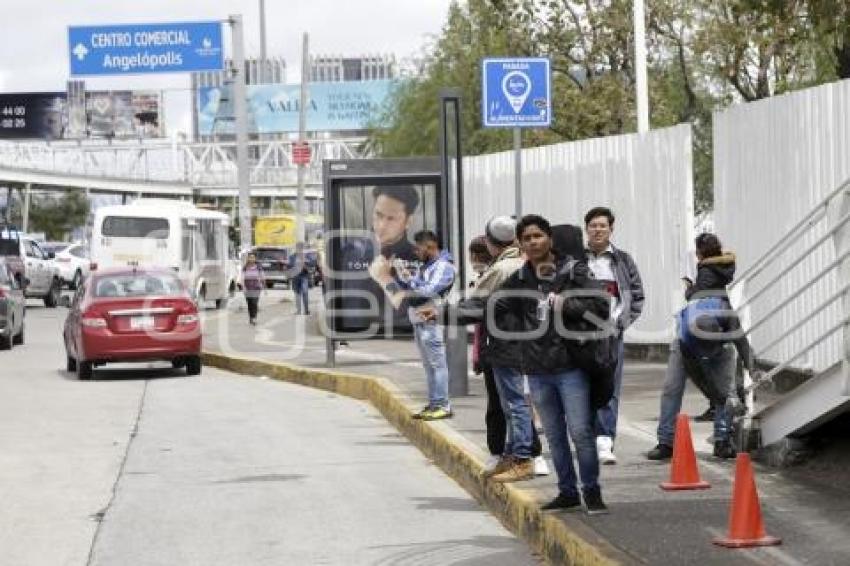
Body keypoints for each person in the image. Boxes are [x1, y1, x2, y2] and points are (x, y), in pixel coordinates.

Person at [492, 214, 611, 514]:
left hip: (570, 368)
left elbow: (600, 305)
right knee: (555, 436)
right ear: (520, 244)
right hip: (537, 370)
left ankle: (592, 492)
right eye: (527, 238)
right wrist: (442, 312)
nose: (533, 242)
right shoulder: (519, 279)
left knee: (581, 433)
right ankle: (567, 492)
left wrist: (566, 305)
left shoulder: (573, 271)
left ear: (549, 239)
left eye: (538, 236)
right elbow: (491, 304)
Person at [421, 218, 548, 481]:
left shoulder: (503, 269)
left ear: (492, 243)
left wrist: (442, 313)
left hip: (508, 344)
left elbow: (479, 306)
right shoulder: (520, 265)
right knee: (510, 404)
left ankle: (522, 458)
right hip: (515, 343)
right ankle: (515, 455)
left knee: (514, 404)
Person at [648, 233, 756, 461]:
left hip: (722, 348)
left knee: (725, 391)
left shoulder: (727, 316)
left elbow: (742, 344)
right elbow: (696, 368)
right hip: (686, 349)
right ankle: (666, 442)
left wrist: (752, 368)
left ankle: (722, 441)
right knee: (671, 389)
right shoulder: (687, 327)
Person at [371, 230, 456, 420]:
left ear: (430, 246)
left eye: (419, 249)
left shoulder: (443, 267)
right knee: (429, 367)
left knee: (438, 366)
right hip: (420, 322)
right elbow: (413, 287)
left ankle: (442, 404)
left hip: (431, 322)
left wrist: (408, 279)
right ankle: (435, 404)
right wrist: (403, 275)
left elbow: (426, 291)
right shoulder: (428, 266)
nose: (416, 253)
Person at [583, 207, 645, 465]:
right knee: (580, 388)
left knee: (609, 387)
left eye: (603, 226)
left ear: (611, 229)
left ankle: (605, 439)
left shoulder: (623, 260)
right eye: (593, 225)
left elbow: (637, 296)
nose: (598, 230)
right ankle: (585, 438)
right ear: (586, 229)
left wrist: (621, 324)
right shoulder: (575, 259)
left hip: (610, 334)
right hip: (579, 335)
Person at [336, 185, 423, 332]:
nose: (382, 226)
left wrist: (385, 279)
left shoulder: (420, 259)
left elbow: (421, 313)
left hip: (402, 343)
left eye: (391, 219)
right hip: (356, 342)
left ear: (408, 221)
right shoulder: (349, 253)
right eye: (378, 215)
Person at [242, 253, 264, 325]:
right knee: (249, 303)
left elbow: (262, 276)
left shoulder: (258, 267)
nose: (251, 259)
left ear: (255, 259)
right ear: (248, 258)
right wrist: (243, 287)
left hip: (256, 287)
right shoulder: (245, 267)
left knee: (254, 302)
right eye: (250, 257)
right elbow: (242, 278)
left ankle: (254, 318)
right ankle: (251, 318)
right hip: (247, 287)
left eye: (253, 257)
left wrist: (263, 285)